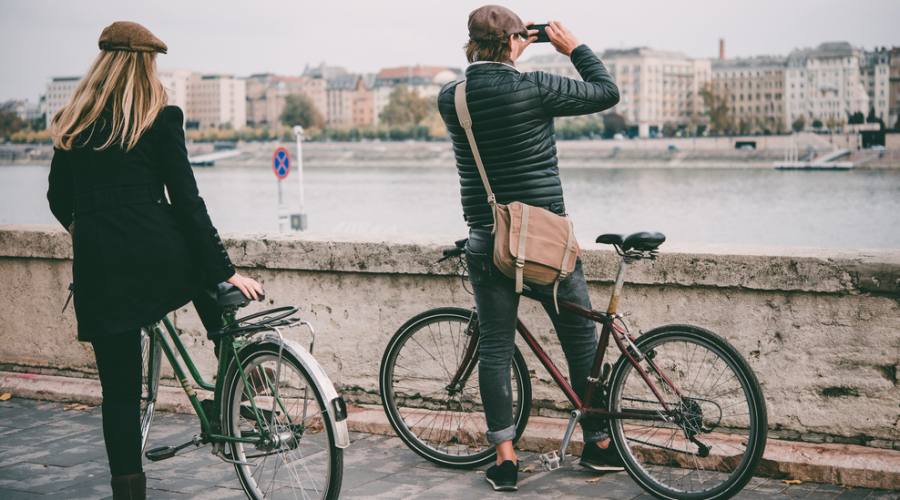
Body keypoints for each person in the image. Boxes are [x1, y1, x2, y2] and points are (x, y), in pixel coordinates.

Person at [47, 21, 263, 500]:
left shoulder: (72, 122)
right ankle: (237, 373)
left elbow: (58, 199)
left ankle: (129, 490)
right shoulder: (160, 117)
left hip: (102, 270)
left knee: (120, 395)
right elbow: (188, 204)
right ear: (146, 65)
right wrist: (226, 270)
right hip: (161, 257)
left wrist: (93, 234)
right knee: (201, 270)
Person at [437, 6, 622, 492]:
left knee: (495, 350)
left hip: (488, 240)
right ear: (516, 41)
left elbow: (488, 93)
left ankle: (505, 459)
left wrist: (512, 47)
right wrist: (572, 48)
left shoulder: (449, 98)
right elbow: (607, 92)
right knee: (581, 345)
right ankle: (599, 445)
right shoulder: (534, 86)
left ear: (471, 43)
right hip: (548, 242)